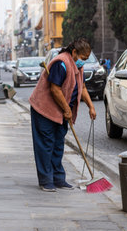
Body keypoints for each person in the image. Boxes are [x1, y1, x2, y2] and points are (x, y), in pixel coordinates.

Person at [29, 37, 96, 192]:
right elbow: (55, 89)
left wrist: (91, 107)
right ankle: (46, 180)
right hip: (44, 109)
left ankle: (59, 179)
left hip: (60, 111)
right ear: (74, 52)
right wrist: (67, 110)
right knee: (46, 144)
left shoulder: (77, 67)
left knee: (58, 144)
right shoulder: (61, 63)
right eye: (83, 58)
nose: (83, 62)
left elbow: (82, 88)